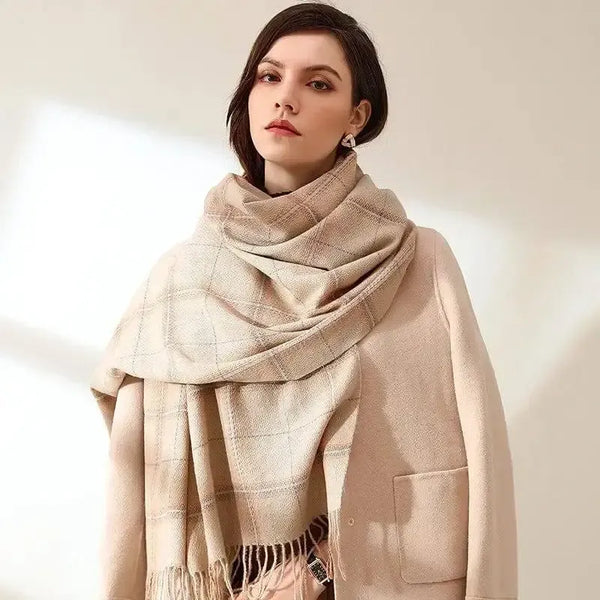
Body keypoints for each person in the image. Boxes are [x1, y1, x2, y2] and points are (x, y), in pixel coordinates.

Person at [92, 3, 518, 600]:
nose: (285, 98)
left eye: (318, 84)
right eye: (269, 76)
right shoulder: (180, 281)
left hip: (384, 580)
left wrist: (315, 569)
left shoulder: (419, 260)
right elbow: (135, 474)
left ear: (356, 116)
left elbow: (481, 451)